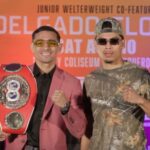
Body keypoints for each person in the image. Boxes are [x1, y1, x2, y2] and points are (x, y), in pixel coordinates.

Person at [0, 25, 86, 150]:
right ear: (32, 47)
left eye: (51, 43)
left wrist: (66, 107)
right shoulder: (16, 77)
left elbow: (80, 130)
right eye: (40, 43)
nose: (46, 47)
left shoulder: (72, 83)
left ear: (59, 47)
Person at [81, 17, 150, 150]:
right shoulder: (90, 79)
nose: (108, 46)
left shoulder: (140, 75)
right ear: (95, 44)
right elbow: (88, 127)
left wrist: (140, 100)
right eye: (102, 41)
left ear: (122, 43)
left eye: (114, 41)